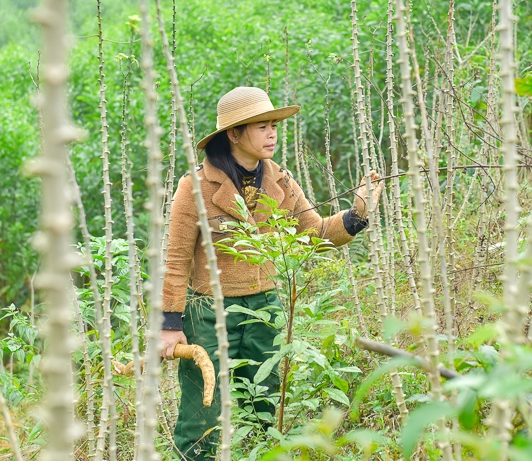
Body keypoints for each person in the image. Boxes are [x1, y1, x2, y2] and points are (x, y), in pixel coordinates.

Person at [160, 86, 383, 460]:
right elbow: (177, 258)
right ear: (233, 134)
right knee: (203, 414)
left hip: (264, 308)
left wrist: (357, 213)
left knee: (262, 406)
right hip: (207, 313)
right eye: (261, 126)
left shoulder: (280, 180)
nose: (272, 133)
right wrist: (170, 322)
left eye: (273, 125)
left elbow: (314, 234)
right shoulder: (195, 186)